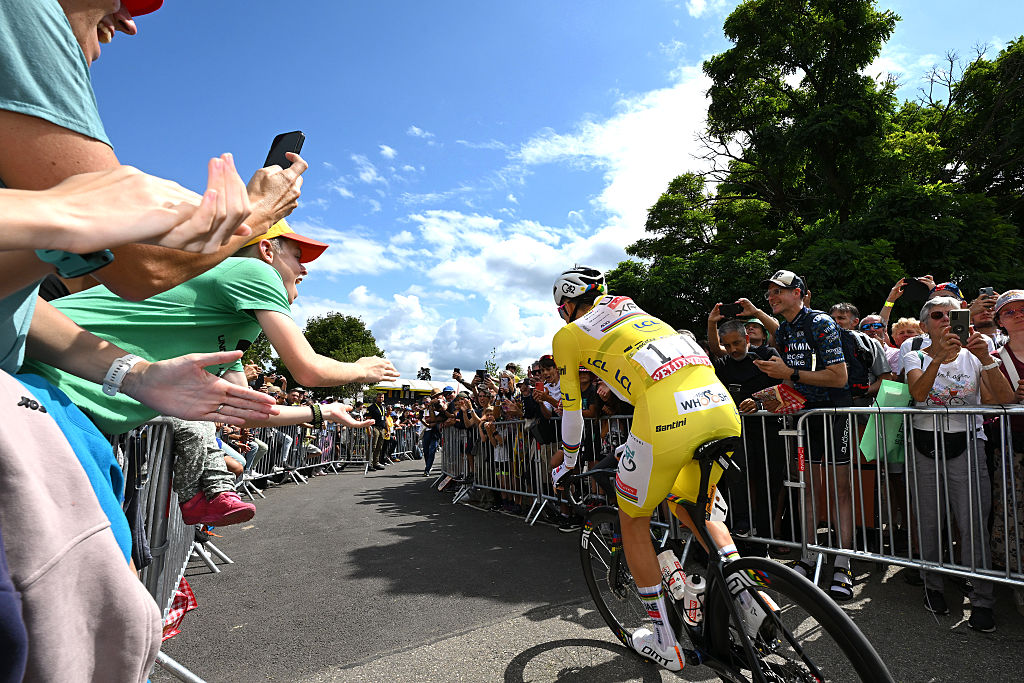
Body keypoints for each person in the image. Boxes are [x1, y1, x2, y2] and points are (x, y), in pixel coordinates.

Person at [549, 266, 741, 672]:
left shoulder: (569, 334)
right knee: (693, 507)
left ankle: (662, 638)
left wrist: (567, 462)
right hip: (720, 406)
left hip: (666, 416)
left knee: (631, 517)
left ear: (566, 304)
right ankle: (751, 601)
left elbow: (572, 411)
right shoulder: (639, 313)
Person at [904, 296, 1013, 632]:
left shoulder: (977, 354)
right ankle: (932, 587)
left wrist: (987, 359)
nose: (946, 320)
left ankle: (982, 600)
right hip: (924, 446)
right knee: (930, 521)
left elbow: (1003, 401)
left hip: (967, 445)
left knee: (973, 525)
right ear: (925, 325)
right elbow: (919, 394)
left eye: (954, 315)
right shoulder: (914, 354)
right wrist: (936, 358)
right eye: (938, 315)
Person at [750, 270, 856, 601]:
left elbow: (839, 378)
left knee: (839, 489)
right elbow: (790, 385)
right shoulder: (782, 332)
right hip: (805, 418)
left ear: (798, 293)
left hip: (833, 415)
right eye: (769, 293)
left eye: (778, 291)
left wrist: (789, 373)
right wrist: (760, 399)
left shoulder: (821, 323)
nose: (772, 296)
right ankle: (808, 556)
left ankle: (843, 563)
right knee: (807, 488)